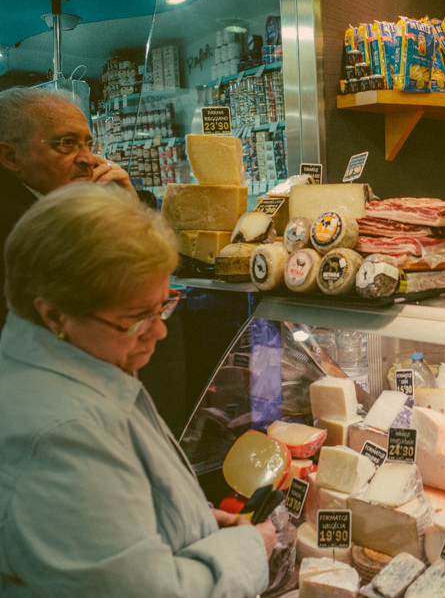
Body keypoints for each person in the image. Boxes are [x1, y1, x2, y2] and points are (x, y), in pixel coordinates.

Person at [0, 183, 275, 596]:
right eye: (137, 317)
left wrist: (186, 520)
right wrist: (250, 550)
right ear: (55, 315)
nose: (160, 331)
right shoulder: (60, 434)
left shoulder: (86, 363)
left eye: (165, 304)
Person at [0, 86, 135, 329]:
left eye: (88, 144)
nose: (89, 159)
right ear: (10, 157)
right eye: (67, 143)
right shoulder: (17, 226)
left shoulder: (50, 206)